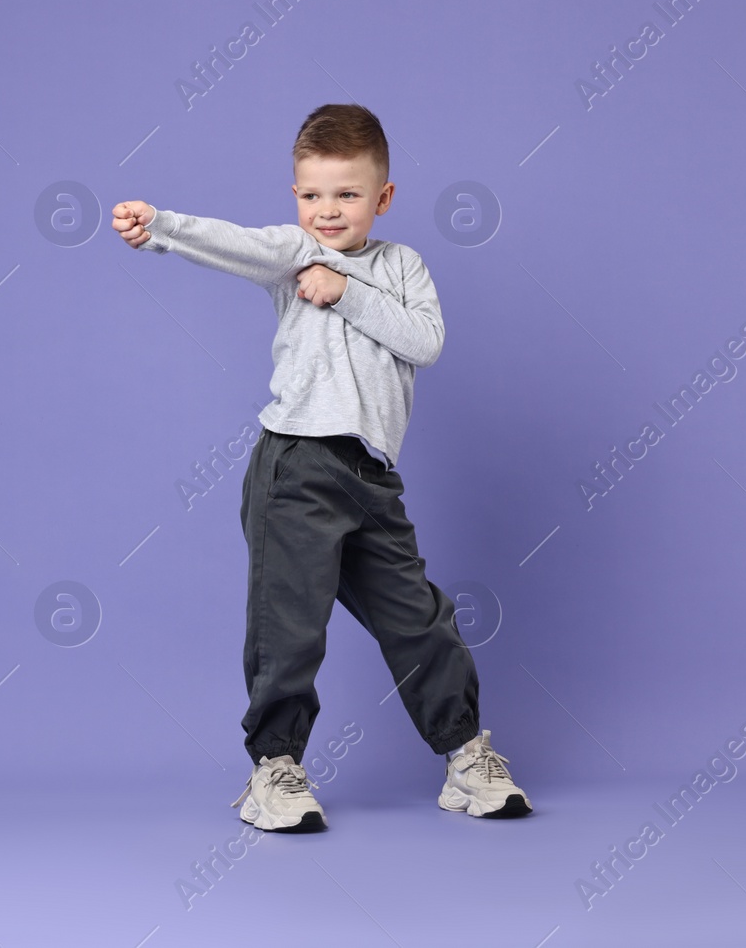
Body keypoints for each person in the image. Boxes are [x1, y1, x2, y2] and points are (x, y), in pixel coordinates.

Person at [112, 103, 529, 830]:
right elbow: (233, 243)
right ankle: (276, 767)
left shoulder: (401, 267)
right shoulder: (290, 251)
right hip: (295, 467)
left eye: (346, 194)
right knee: (290, 627)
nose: (327, 212)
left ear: (383, 198)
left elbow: (424, 341)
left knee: (420, 619)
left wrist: (346, 289)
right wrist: (163, 229)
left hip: (370, 478)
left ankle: (466, 755)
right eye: (311, 194)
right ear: (295, 195)